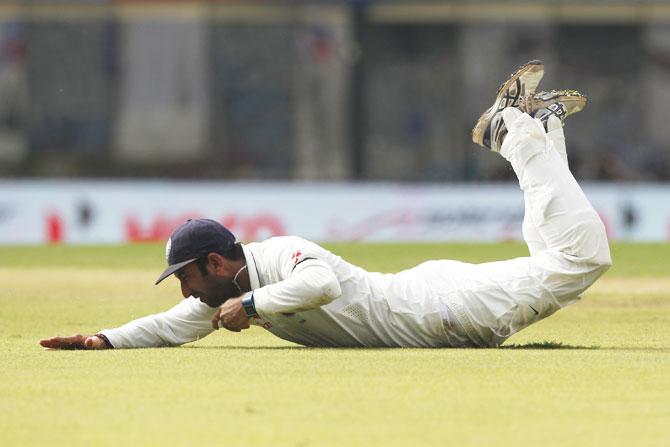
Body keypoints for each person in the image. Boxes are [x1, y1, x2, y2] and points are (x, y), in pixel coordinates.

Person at [40, 60, 611, 350]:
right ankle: (541, 128)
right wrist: (104, 339)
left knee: (581, 260)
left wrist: (255, 305)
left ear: (216, 262)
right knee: (552, 252)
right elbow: (173, 327)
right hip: (430, 297)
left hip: (440, 310)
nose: (185, 292)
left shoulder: (281, 256)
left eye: (186, 277)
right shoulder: (231, 292)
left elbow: (321, 287)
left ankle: (509, 130)